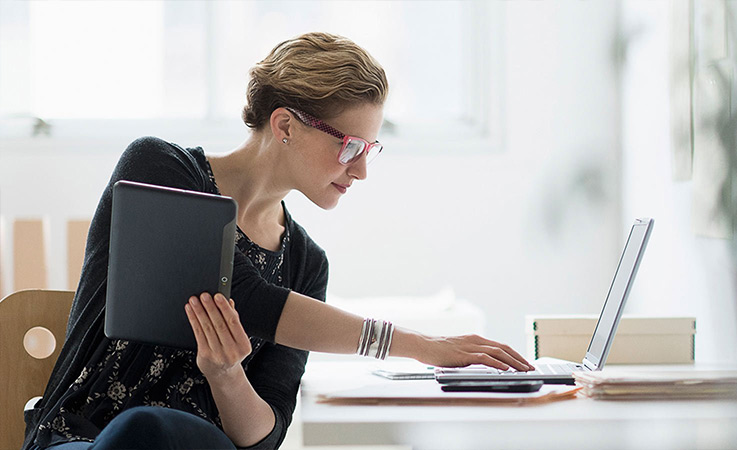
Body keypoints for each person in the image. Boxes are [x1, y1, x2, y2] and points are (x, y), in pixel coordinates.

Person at [22, 32, 531, 450]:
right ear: (285, 124)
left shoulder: (307, 264)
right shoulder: (159, 170)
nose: (361, 170)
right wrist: (421, 345)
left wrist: (226, 377)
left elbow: (263, 438)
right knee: (145, 429)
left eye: (370, 148)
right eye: (350, 146)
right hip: (78, 438)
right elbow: (246, 297)